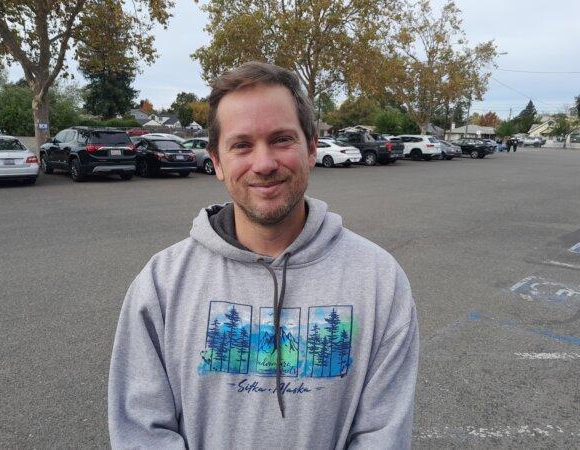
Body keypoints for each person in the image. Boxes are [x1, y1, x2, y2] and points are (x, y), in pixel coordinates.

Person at [108, 61, 419, 449]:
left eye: (281, 139)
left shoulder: (379, 279)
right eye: (241, 145)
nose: (264, 163)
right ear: (217, 162)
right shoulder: (162, 282)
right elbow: (141, 430)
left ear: (310, 149)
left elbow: (382, 435)